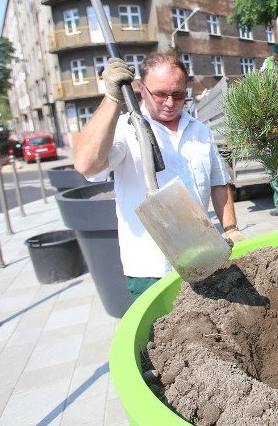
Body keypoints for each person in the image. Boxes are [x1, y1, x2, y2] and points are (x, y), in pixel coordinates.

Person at [73, 52, 242, 299]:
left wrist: (231, 228)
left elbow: (218, 182)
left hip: (202, 258)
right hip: (150, 269)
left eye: (178, 95)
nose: (170, 103)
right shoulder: (125, 129)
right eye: (161, 94)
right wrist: (111, 99)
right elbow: (87, 164)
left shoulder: (200, 131)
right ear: (141, 88)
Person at [260, 42, 278, 215]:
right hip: (274, 111)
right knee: (275, 167)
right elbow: (261, 80)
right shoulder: (268, 63)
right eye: (277, 54)